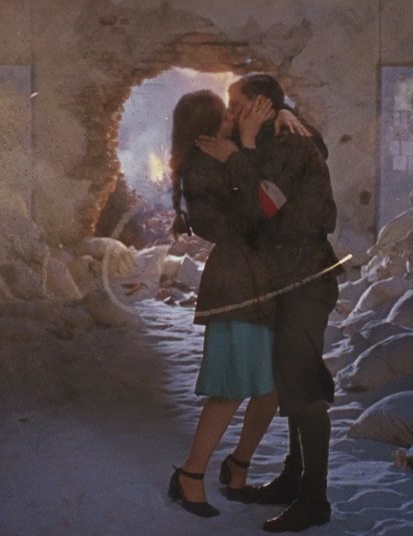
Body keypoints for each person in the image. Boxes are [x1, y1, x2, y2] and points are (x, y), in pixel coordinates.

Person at [196, 73, 339, 532]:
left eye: (236, 103)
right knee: (290, 382)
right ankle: (294, 478)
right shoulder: (273, 137)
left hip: (305, 278)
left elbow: (263, 205)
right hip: (284, 279)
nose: (230, 112)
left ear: (259, 105)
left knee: (303, 387)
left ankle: (314, 500)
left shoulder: (290, 141)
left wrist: (238, 151)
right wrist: (243, 145)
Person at [167, 89, 311, 518]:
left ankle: (238, 466)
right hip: (235, 287)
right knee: (231, 388)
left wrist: (282, 112)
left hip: (263, 283)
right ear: (207, 130)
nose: (235, 117)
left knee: (270, 390)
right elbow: (261, 211)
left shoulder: (228, 153)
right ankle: (190, 474)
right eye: (226, 115)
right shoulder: (202, 169)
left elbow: (276, 160)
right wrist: (243, 149)